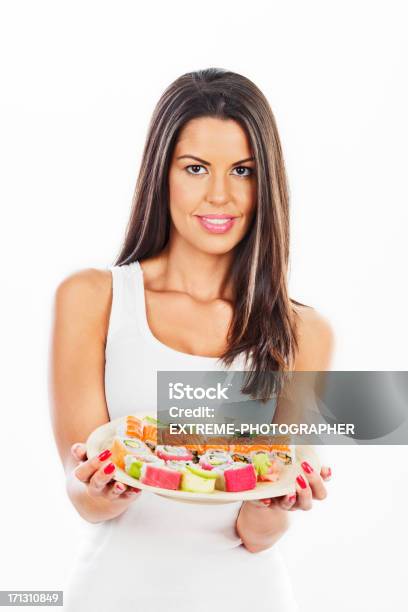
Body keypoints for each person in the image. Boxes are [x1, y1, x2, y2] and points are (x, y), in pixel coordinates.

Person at [49, 67, 334, 612]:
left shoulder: (304, 333)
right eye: (196, 168)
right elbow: (83, 497)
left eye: (243, 170)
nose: (220, 195)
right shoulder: (91, 298)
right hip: (114, 593)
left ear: (266, 181)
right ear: (163, 174)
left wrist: (275, 502)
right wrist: (102, 488)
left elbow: (258, 534)